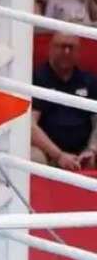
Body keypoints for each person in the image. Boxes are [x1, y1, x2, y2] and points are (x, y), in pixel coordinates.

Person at [30, 33, 97, 169]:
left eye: (71, 47)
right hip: (47, 152)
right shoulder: (36, 78)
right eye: (61, 46)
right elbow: (30, 125)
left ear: (79, 52)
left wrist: (92, 149)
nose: (66, 51)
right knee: (34, 158)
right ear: (51, 48)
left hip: (84, 152)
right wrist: (59, 155)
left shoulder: (89, 81)